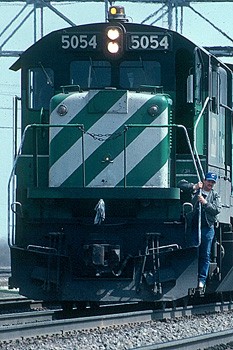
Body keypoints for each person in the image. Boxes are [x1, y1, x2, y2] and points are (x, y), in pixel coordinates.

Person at [178, 172, 221, 291]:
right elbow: (180, 185)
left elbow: (217, 209)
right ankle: (190, 277)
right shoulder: (196, 191)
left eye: (212, 182)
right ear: (204, 180)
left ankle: (202, 280)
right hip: (193, 227)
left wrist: (205, 203)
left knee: (205, 254)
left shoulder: (215, 195)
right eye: (209, 181)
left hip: (207, 228)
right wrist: (194, 187)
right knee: (192, 252)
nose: (210, 184)